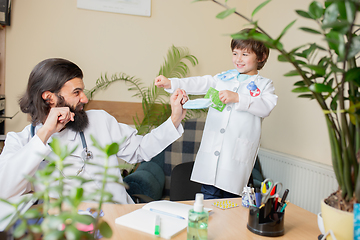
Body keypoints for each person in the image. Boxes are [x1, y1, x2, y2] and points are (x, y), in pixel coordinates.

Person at [0, 58, 188, 204]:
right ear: (49, 98)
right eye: (76, 92)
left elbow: (141, 149)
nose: (85, 98)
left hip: (117, 217)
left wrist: (175, 119)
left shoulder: (99, 121)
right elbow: (6, 190)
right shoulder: (21, 140)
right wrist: (46, 133)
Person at [155, 29, 278, 199]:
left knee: (230, 207)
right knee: (208, 202)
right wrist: (173, 83)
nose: (238, 59)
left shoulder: (264, 85)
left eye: (244, 54)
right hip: (211, 160)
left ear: (261, 57)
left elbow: (266, 107)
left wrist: (237, 98)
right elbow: (202, 82)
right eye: (235, 53)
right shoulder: (224, 77)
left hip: (234, 162)